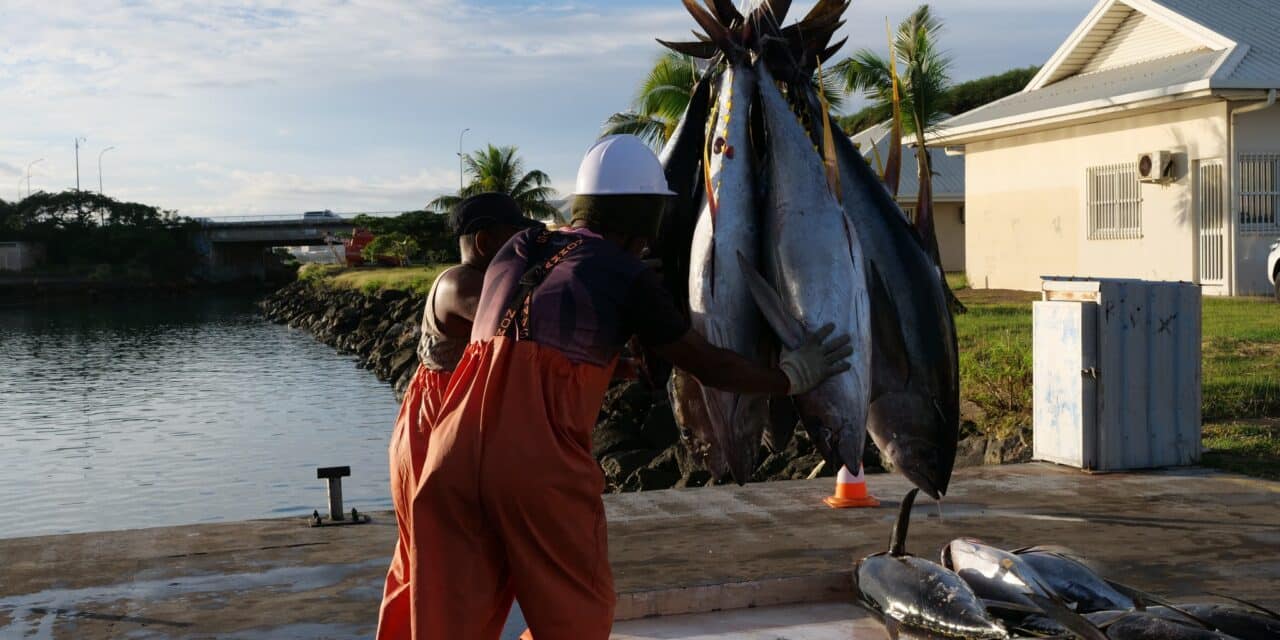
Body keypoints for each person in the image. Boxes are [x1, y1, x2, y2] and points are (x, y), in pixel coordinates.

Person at [409, 135, 852, 640]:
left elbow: (522, 340)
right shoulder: (627, 276)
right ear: (647, 216)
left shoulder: (519, 246)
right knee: (575, 618)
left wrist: (610, 362)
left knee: (451, 623)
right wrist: (791, 376)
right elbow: (709, 365)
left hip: (449, 458)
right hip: (537, 469)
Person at [376, 193, 542, 640]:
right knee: (441, 569)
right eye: (517, 241)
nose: (524, 250)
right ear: (487, 241)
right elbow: (518, 320)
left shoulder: (480, 280)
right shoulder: (460, 284)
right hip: (433, 428)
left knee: (438, 568)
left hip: (441, 424)